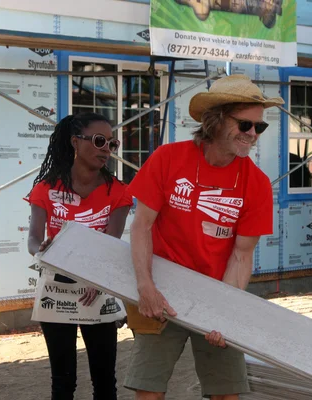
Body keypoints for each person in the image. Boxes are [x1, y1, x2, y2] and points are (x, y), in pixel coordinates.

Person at [123, 74, 283, 400]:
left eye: (259, 127)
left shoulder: (257, 183)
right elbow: (141, 226)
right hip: (162, 290)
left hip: (217, 290)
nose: (253, 135)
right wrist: (145, 286)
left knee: (226, 393)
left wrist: (223, 312)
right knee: (148, 390)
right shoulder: (168, 159)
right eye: (245, 125)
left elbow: (241, 256)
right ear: (216, 120)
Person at [26, 112, 132, 400]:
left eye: (112, 143)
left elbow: (111, 244)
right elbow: (33, 240)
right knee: (62, 382)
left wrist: (97, 282)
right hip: (56, 287)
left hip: (97, 289)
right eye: (99, 141)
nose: (106, 149)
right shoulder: (46, 188)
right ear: (75, 141)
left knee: (104, 382)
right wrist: (43, 251)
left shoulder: (119, 192)